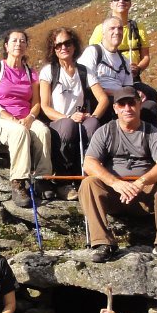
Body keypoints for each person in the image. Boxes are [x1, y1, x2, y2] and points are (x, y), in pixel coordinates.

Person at [79, 88, 157, 267]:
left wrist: (141, 182)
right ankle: (103, 243)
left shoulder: (153, 133)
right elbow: (89, 163)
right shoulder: (105, 131)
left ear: (139, 105)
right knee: (88, 183)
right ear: (115, 108)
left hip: (144, 195)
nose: (127, 108)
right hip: (115, 194)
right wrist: (116, 183)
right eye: (122, 104)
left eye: (131, 103)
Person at [0, 28, 54, 208]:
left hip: (25, 117)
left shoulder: (32, 73)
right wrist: (10, 118)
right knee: (20, 132)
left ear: (27, 46)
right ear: (6, 46)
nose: (18, 44)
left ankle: (42, 178)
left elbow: (36, 103)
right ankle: (18, 182)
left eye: (22, 41)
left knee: (43, 131)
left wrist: (30, 117)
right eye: (14, 41)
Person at [39, 26, 110, 199]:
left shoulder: (85, 70)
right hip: (59, 122)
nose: (63, 47)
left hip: (80, 119)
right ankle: (63, 182)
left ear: (74, 45)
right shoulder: (49, 71)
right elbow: (45, 107)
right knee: (68, 126)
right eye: (58, 45)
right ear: (53, 49)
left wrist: (92, 116)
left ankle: (89, 175)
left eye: (67, 43)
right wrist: (68, 117)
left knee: (93, 125)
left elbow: (103, 99)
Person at [79, 16, 157, 128]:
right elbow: (84, 83)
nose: (117, 32)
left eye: (120, 29)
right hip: (98, 100)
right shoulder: (93, 52)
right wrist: (114, 93)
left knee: (150, 107)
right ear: (103, 33)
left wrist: (137, 95)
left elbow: (128, 88)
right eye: (112, 28)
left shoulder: (125, 61)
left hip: (121, 99)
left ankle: (151, 142)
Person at [88, 0, 157, 110]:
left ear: (130, 3)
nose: (121, 1)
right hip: (108, 78)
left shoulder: (138, 28)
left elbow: (146, 56)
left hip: (132, 78)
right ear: (111, 4)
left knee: (150, 95)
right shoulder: (101, 29)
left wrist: (138, 68)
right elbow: (93, 56)